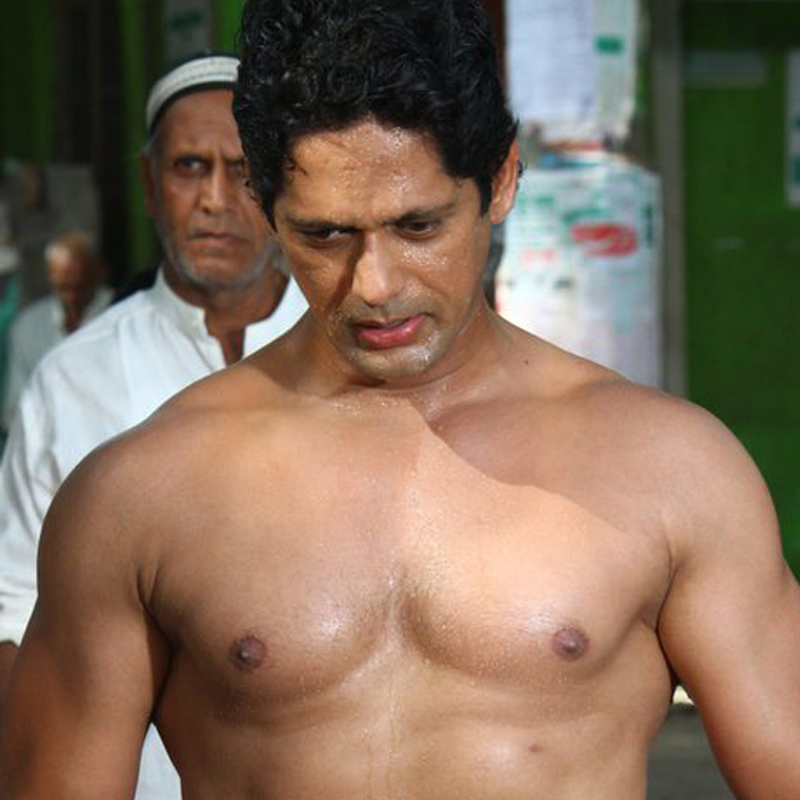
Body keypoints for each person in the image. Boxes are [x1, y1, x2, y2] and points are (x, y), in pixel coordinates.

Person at [3, 2, 800, 798]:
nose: (374, 285)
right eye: (325, 235)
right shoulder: (140, 495)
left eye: (418, 226)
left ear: (501, 180)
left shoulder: (671, 471)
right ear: (268, 208)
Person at [0, 53, 306, 799]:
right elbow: (13, 613)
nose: (213, 199)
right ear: (147, 184)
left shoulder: (347, 348)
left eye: (243, 171)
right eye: (189, 167)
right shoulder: (74, 379)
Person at [1, 230, 111, 426]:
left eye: (79, 286)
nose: (71, 298)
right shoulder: (27, 326)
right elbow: (14, 409)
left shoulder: (120, 313)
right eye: (62, 288)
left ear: (98, 273)